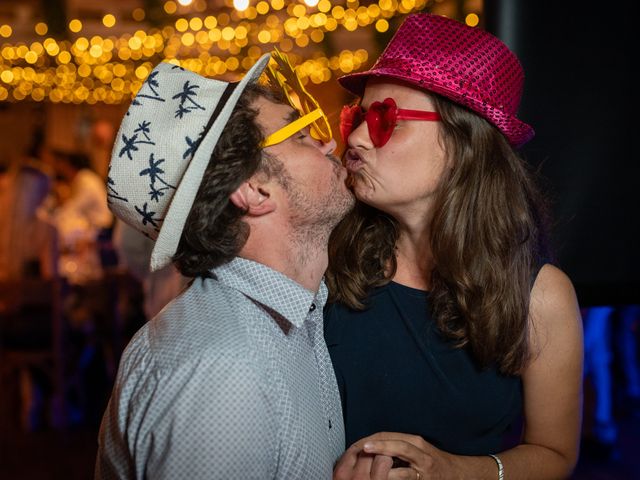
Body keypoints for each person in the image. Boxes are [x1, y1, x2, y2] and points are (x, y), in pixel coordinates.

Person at [325, 13, 583, 480]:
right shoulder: (325, 255)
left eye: (386, 120)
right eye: (358, 116)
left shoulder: (540, 296)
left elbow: (555, 453)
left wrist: (456, 471)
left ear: (463, 144)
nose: (358, 137)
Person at [95, 52, 354, 479]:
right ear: (253, 188)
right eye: (302, 133)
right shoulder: (224, 372)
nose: (326, 143)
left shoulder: (284, 319)